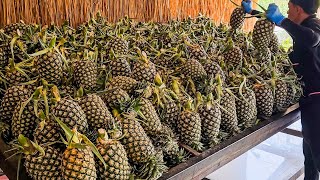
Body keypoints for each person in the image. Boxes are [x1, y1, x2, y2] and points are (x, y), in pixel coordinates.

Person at [242, 0, 320, 179]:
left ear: (298, 9)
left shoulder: (314, 27)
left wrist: (281, 20)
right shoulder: (304, 27)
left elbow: (312, 39)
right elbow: (294, 31)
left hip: (318, 104)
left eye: (289, 7)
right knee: (310, 157)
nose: (287, 10)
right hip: (311, 101)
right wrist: (252, 11)